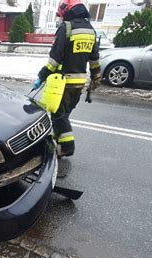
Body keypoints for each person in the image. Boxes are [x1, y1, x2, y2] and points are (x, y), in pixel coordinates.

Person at [33, 0, 101, 158]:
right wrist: (96, 76)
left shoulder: (66, 28)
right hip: (79, 83)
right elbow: (94, 58)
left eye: (61, 15)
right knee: (64, 114)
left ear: (68, 11)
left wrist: (41, 76)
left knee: (58, 116)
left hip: (63, 83)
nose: (61, 18)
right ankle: (56, 144)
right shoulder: (91, 30)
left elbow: (54, 59)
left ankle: (67, 147)